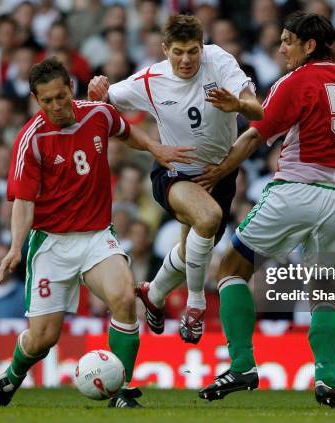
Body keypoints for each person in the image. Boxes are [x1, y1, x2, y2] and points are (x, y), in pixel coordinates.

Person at [193, 13, 335, 407]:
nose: (281, 48)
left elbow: (252, 137)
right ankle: (326, 379)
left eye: (287, 41)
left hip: (296, 191)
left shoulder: (295, 82)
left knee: (232, 268)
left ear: (309, 45)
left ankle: (242, 364)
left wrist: (217, 174)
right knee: (324, 292)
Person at [0, 58, 193, 409]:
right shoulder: (31, 140)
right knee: (42, 340)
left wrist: (156, 148)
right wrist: (15, 246)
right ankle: (11, 376)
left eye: (61, 96)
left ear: (70, 88)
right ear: (37, 100)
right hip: (51, 243)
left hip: (97, 236)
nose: (56, 106)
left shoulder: (98, 114)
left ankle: (123, 391)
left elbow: (127, 132)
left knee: (125, 299)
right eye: (47, 101)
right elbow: (23, 202)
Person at [88, 14, 263, 344]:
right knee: (208, 218)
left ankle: (153, 296)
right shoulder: (150, 80)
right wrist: (97, 88)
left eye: (193, 51)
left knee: (189, 252)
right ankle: (195, 305)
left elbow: (258, 112)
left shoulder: (220, 60)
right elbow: (103, 103)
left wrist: (238, 103)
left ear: (202, 47)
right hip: (175, 172)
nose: (186, 60)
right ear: (165, 49)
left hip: (220, 175)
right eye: (179, 52)